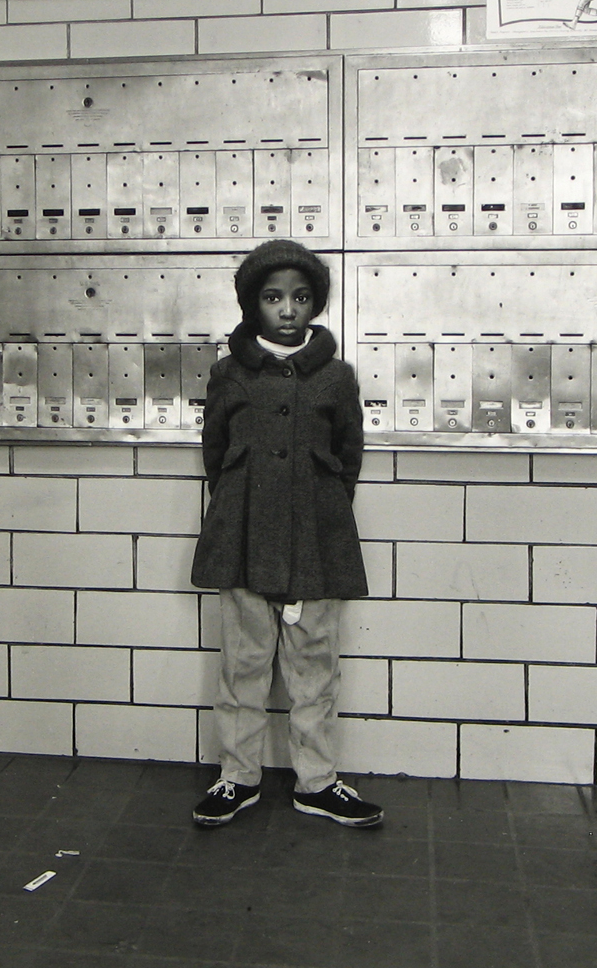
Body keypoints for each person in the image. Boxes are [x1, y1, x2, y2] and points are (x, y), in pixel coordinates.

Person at [188, 239, 383, 829]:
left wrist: (318, 506)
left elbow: (349, 455)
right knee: (243, 664)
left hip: (316, 542)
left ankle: (317, 782)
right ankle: (237, 777)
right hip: (243, 537)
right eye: (274, 298)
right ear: (254, 304)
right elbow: (215, 454)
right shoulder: (229, 375)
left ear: (314, 304)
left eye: (300, 298)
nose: (289, 309)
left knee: (315, 666)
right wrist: (243, 504)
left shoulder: (335, 377)